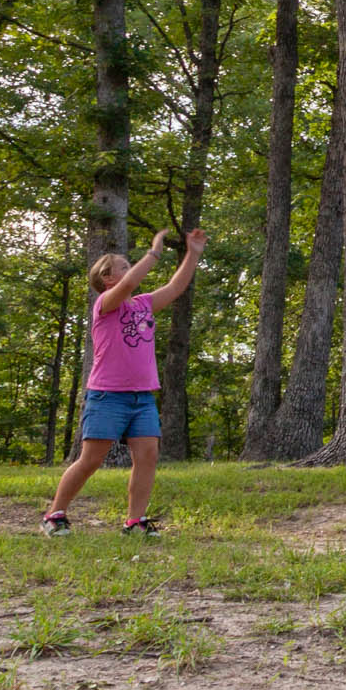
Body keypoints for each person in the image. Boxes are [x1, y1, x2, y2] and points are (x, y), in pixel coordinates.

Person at [41, 225, 202, 536]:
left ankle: (135, 522)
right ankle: (54, 515)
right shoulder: (104, 305)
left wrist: (192, 256)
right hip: (107, 396)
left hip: (142, 398)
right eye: (124, 267)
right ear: (107, 279)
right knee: (91, 460)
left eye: (131, 265)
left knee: (147, 457)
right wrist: (154, 251)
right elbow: (131, 280)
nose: (131, 271)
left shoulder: (143, 304)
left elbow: (175, 286)